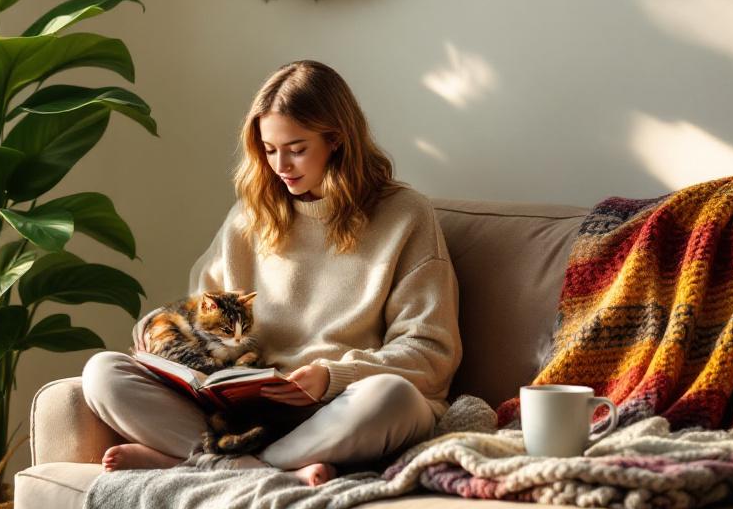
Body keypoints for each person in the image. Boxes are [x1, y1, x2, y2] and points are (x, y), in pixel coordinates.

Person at [80, 60, 462, 486]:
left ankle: (211, 464)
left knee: (391, 397)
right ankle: (265, 469)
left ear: (336, 139)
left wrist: (332, 376)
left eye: (297, 148)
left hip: (339, 408)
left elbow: (431, 353)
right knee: (103, 372)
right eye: (269, 149)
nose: (281, 165)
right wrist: (158, 331)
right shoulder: (250, 217)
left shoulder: (404, 215)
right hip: (250, 414)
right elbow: (202, 317)